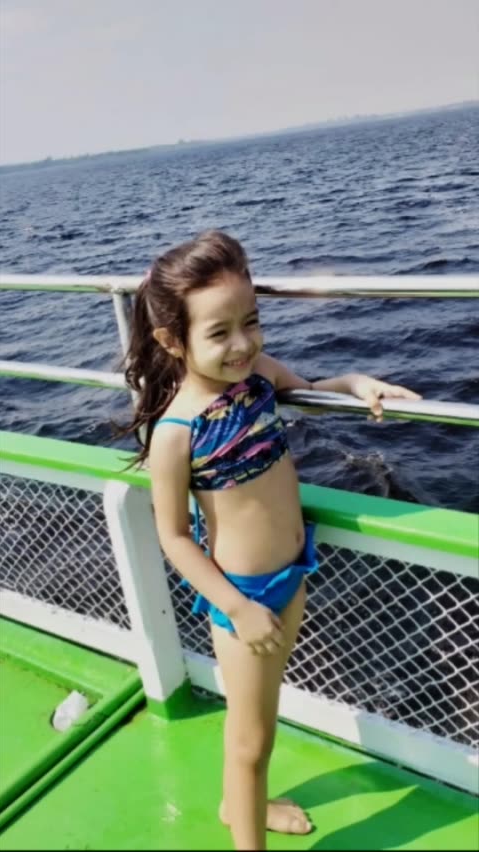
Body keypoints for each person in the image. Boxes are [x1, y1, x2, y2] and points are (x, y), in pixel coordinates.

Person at [117, 230, 421, 850]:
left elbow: (309, 388)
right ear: (173, 341)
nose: (242, 343)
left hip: (292, 570)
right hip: (246, 596)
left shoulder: (256, 378)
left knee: (263, 715)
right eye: (219, 332)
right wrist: (237, 607)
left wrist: (358, 383)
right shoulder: (175, 433)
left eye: (250, 322)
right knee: (250, 740)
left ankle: (240, 802)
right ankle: (244, 822)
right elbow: (174, 537)